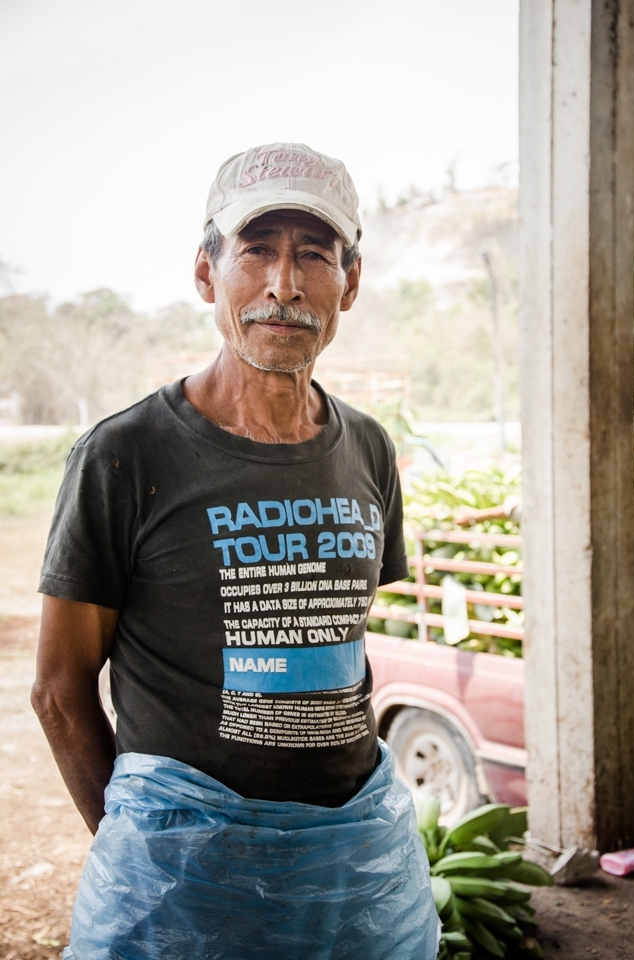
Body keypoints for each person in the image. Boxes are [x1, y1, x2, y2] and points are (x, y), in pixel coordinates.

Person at [32, 143, 439, 959]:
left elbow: (340, 638)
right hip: (179, 879)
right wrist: (142, 854)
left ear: (349, 283)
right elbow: (59, 688)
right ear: (206, 272)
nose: (284, 285)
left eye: (313, 256)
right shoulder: (126, 454)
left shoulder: (367, 448)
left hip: (354, 862)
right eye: (257, 250)